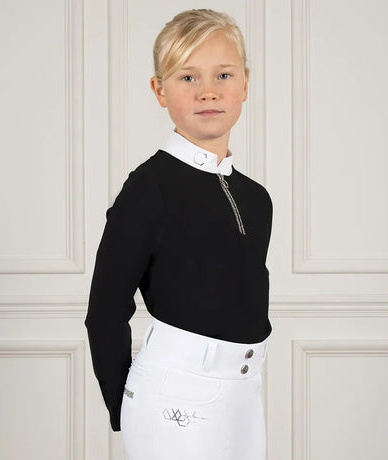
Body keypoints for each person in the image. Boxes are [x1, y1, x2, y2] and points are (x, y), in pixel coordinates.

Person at [84, 8, 273, 460]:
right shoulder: (149, 189)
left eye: (223, 75)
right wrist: (126, 407)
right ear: (159, 90)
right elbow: (105, 311)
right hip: (173, 398)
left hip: (245, 395)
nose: (209, 91)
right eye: (188, 77)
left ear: (245, 84)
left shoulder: (256, 198)